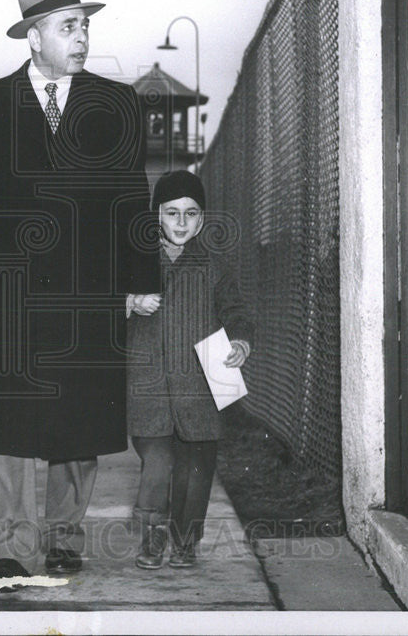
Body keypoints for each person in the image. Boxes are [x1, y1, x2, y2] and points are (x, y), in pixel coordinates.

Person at [0, 0, 160, 590]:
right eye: (69, 26)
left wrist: (139, 278)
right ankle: (5, 545)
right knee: (7, 421)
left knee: (79, 423)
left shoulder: (117, 103)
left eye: (86, 25)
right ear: (34, 37)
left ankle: (63, 537)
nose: (83, 38)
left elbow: (132, 197)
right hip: (10, 288)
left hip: (88, 290)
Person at [126, 170, 253, 569]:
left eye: (191, 214)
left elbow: (237, 314)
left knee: (195, 471)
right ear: (155, 216)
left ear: (201, 219)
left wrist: (239, 343)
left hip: (200, 389)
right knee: (158, 465)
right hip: (149, 390)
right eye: (171, 213)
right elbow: (98, 309)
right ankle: (152, 535)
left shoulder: (215, 268)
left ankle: (185, 540)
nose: (181, 223)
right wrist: (128, 301)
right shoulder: (136, 263)